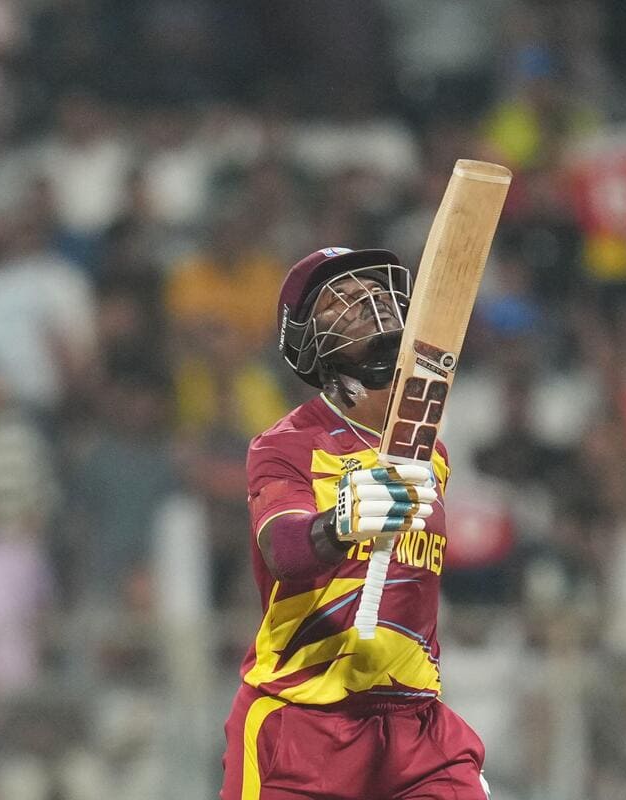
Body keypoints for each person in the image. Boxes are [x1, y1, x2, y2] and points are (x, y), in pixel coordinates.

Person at [220, 247, 489, 799]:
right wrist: (341, 524)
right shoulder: (286, 444)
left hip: (415, 727)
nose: (367, 299)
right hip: (301, 726)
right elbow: (284, 550)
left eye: (373, 287)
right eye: (339, 299)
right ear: (309, 342)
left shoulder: (431, 451)